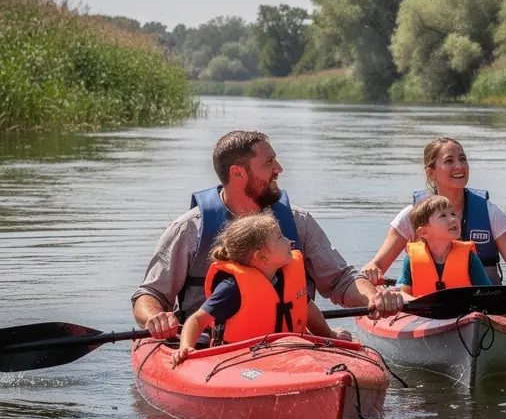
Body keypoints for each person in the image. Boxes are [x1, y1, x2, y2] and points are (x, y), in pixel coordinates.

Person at [133, 129, 402, 339]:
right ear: (238, 173)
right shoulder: (189, 230)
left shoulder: (299, 222)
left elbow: (341, 280)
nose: (279, 170)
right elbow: (150, 295)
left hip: (286, 346)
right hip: (210, 350)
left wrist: (373, 297)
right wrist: (155, 318)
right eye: (269, 163)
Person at [363, 136, 506, 302]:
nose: (459, 166)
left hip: (486, 306)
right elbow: (377, 266)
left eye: (463, 159)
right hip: (423, 310)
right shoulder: (413, 216)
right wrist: (372, 273)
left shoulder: (491, 214)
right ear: (431, 173)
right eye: (449, 161)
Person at [172, 212, 348, 366]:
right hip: (240, 362)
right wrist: (186, 347)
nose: (289, 241)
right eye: (280, 237)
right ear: (261, 256)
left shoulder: (285, 277)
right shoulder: (231, 289)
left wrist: (329, 334)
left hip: (287, 355)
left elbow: (306, 307)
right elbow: (196, 320)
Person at [395, 195, 493, 298]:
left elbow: (487, 294)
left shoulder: (470, 258)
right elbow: (402, 294)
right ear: (423, 232)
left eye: (453, 214)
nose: (453, 219)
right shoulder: (410, 261)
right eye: (443, 216)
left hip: (464, 312)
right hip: (423, 312)